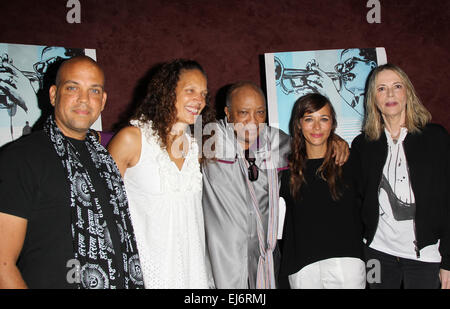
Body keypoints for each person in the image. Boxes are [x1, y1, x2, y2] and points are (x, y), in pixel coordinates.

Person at [0, 56, 144, 289]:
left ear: (103, 100)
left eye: (94, 91)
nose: (84, 99)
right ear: (53, 94)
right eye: (72, 88)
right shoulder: (21, 157)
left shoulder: (105, 159)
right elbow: (2, 264)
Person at [202, 81, 349, 289]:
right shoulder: (207, 140)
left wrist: (335, 139)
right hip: (222, 261)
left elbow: (311, 141)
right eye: (244, 113)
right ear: (228, 112)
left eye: (260, 113)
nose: (253, 121)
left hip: (266, 259)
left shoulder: (276, 142)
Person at [107, 59, 215, 288]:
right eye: (190, 91)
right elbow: (103, 212)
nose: (199, 100)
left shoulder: (196, 147)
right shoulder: (132, 139)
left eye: (204, 94)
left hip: (193, 275)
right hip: (148, 275)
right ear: (167, 91)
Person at [351, 63, 450, 289]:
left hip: (425, 257)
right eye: (381, 88)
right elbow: (356, 199)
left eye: (397, 86)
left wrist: (449, 261)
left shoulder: (436, 138)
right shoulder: (362, 145)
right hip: (376, 254)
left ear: (408, 92)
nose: (390, 94)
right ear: (373, 99)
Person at [279, 93, 365, 289]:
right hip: (302, 268)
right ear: (298, 124)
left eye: (323, 119)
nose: (317, 127)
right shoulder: (287, 169)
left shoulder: (350, 162)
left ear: (333, 123)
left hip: (347, 265)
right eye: (309, 119)